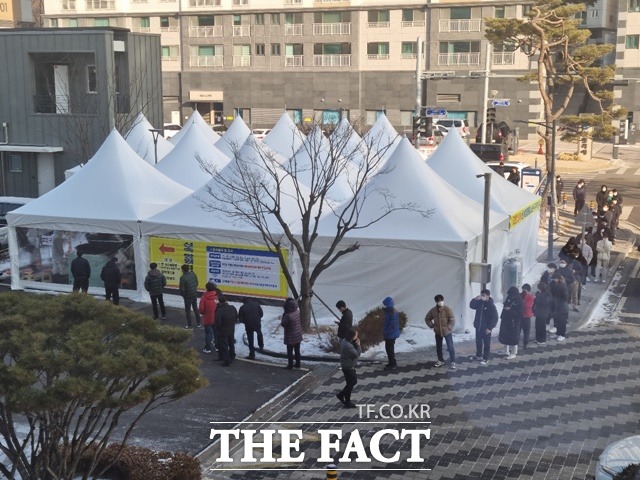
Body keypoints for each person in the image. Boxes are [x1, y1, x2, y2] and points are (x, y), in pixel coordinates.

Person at [425, 294, 456, 369]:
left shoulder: (447, 309)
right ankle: (440, 360)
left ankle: (452, 361)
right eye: (438, 301)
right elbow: (427, 318)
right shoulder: (433, 310)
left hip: (447, 332)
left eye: (441, 301)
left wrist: (449, 326)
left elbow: (452, 319)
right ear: (435, 301)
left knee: (450, 347)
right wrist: (432, 326)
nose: (440, 302)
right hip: (438, 332)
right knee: (438, 347)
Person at [468, 289, 499, 365]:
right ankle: (478, 355)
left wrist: (490, 328)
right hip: (478, 326)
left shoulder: (491, 305)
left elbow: (495, 317)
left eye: (484, 296)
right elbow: (471, 306)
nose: (482, 297)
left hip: (486, 328)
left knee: (486, 343)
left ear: (488, 296)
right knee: (478, 342)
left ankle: (486, 358)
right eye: (482, 295)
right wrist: (475, 299)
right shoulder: (479, 302)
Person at [336, 328, 361, 409]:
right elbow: (356, 354)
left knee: (350, 383)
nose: (357, 337)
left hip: (347, 365)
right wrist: (358, 345)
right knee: (352, 382)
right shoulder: (348, 346)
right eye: (356, 336)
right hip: (348, 366)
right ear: (352, 337)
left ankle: (346, 400)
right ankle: (342, 396)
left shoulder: (345, 341)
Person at [499, 286, 523, 359]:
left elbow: (520, 313)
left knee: (514, 337)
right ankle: (506, 350)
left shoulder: (519, 301)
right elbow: (505, 306)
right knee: (505, 335)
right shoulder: (509, 297)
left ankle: (514, 352)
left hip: (514, 321)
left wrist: (510, 310)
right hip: (506, 320)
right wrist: (502, 316)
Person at [215, 294, 237, 366]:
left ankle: (226, 360)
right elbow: (236, 318)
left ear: (219, 302)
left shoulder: (220, 310)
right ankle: (232, 356)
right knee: (231, 343)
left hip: (223, 330)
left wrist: (217, 329)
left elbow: (218, 322)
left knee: (224, 345)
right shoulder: (232, 308)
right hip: (231, 328)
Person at [281, 297, 302, 369]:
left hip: (290, 335)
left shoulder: (288, 315)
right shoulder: (297, 312)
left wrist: (283, 316)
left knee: (290, 350)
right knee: (297, 350)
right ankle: (298, 364)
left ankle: (290, 365)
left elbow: (283, 324)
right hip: (298, 334)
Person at [199, 282, 218, 354]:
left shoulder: (204, 298)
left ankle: (208, 348)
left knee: (208, 333)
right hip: (216, 317)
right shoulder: (216, 296)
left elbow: (201, 309)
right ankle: (217, 346)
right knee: (216, 332)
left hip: (207, 318)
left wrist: (203, 313)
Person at [179, 264, 201, 329]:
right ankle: (198, 323)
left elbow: (182, 289)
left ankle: (189, 325)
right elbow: (197, 283)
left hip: (187, 296)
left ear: (182, 270)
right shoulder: (193, 274)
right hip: (194, 294)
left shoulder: (182, 278)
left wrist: (183, 295)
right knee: (195, 308)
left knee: (188, 310)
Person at [550, 272, 569, 341]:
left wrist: (559, 301)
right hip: (555, 306)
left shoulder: (563, 286)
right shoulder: (554, 285)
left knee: (562, 322)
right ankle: (558, 333)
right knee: (557, 321)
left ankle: (562, 334)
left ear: (557, 279)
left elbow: (565, 297)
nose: (553, 280)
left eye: (554, 279)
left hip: (562, 307)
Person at [382, 296, 400, 370]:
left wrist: (386, 332)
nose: (384, 307)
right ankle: (392, 362)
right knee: (389, 349)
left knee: (389, 349)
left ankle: (392, 364)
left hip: (391, 335)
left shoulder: (392, 313)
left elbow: (392, 325)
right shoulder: (389, 311)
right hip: (390, 334)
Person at [520, 284, 535, 349]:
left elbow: (527, 305)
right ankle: (517, 343)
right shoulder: (520, 295)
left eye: (525, 290)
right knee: (519, 330)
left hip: (526, 316)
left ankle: (525, 343)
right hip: (521, 316)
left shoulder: (530, 297)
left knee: (526, 331)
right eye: (523, 289)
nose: (523, 291)